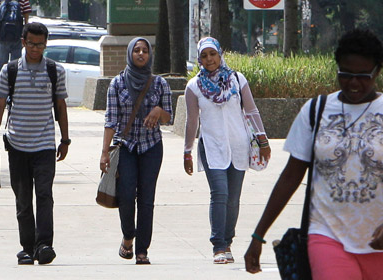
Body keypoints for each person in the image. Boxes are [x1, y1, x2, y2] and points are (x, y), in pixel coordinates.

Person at [244, 29, 383, 279]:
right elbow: (290, 176)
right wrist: (259, 234)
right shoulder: (316, 111)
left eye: (363, 75)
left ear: (377, 72)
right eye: (345, 74)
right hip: (326, 234)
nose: (354, 82)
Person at [0, 22, 69, 265]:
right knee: (23, 199)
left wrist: (65, 139)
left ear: (46, 44)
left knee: (44, 195)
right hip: (17, 145)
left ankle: (44, 245)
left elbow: (61, 107)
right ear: (23, 42)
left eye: (40, 44)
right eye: (31, 43)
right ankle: (27, 247)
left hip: (44, 145)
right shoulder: (9, 71)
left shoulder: (55, 71)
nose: (35, 49)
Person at [183, 37, 271, 264]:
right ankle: (218, 245)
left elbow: (251, 111)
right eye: (204, 56)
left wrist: (263, 140)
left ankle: (228, 241)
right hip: (212, 147)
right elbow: (192, 122)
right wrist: (187, 151)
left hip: (239, 146)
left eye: (212, 54)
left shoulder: (237, 80)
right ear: (199, 59)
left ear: (220, 54)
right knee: (219, 194)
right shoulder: (194, 87)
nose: (209, 59)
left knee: (233, 199)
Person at [100, 37, 172, 265]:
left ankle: (142, 250)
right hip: (127, 147)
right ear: (130, 54)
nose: (141, 54)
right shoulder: (117, 83)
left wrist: (158, 110)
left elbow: (169, 118)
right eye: (137, 51)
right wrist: (104, 152)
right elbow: (111, 120)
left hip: (151, 147)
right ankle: (128, 236)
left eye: (145, 51)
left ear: (150, 55)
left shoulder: (160, 83)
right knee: (127, 195)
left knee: (147, 199)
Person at [0, 0, 32, 72]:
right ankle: (14, 82)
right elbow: (26, 21)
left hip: (2, 38)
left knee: (2, 68)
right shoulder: (23, 1)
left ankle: (2, 82)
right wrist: (25, 38)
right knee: (16, 67)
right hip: (17, 38)